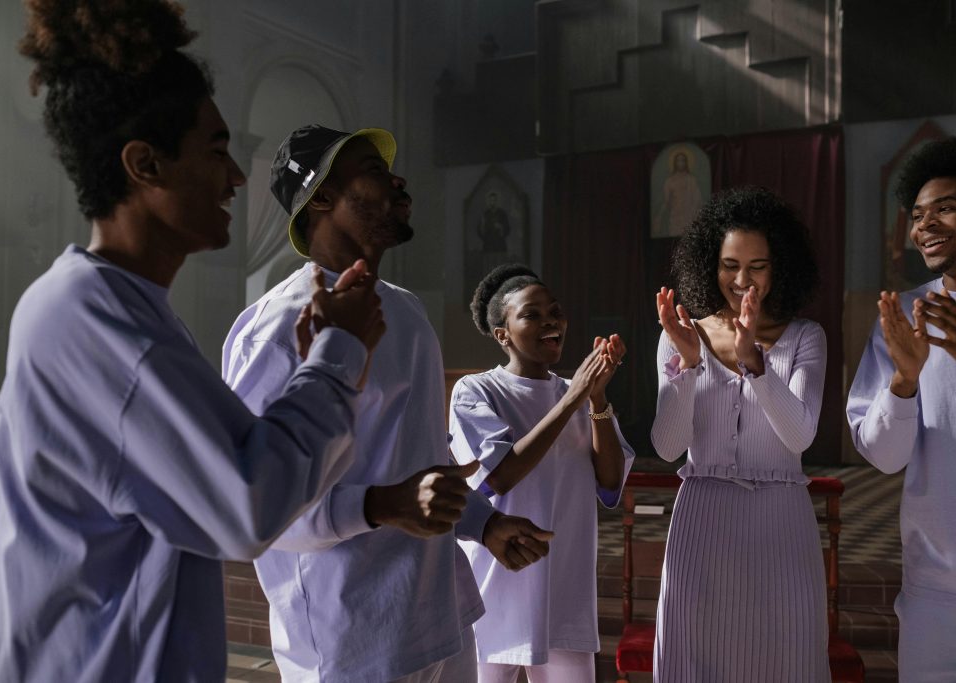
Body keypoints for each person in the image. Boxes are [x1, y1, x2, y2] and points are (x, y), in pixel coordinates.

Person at [0, 2, 385, 682]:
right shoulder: (88, 316)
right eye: (215, 150)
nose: (236, 176)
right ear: (145, 164)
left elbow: (237, 464)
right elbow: (246, 504)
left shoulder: (119, 309)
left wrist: (312, 365)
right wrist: (337, 355)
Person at [223, 124, 554, 683]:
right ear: (321, 197)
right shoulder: (278, 329)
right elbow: (254, 504)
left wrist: (481, 522)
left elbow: (416, 467)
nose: (397, 180)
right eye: (373, 171)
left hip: (440, 620)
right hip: (351, 641)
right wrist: (384, 505)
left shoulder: (406, 313)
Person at [847, 135, 956, 680]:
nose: (924, 225)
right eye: (918, 215)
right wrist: (903, 380)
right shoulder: (902, 316)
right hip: (937, 592)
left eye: (945, 208)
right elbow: (883, 456)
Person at [651, 186, 827, 682]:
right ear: (711, 263)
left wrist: (756, 361)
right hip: (701, 520)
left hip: (779, 523)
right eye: (730, 264)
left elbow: (798, 436)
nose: (742, 280)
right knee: (695, 657)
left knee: (787, 656)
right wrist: (687, 363)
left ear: (780, 267)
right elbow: (666, 447)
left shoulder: (804, 337)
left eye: (758, 266)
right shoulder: (682, 333)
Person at [448, 264, 635, 682]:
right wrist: (572, 399)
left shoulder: (580, 394)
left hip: (565, 592)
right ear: (503, 334)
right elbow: (498, 476)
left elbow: (609, 483)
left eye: (555, 311)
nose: (551, 320)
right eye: (532, 314)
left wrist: (596, 397)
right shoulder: (477, 391)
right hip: (495, 593)